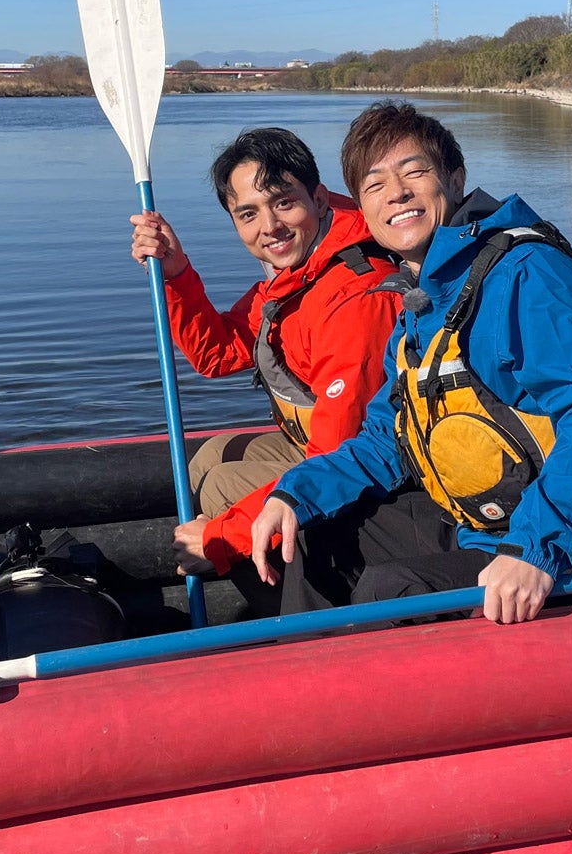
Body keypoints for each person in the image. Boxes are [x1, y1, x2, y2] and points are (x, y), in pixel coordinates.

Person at [248, 102, 572, 624]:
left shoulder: (527, 274)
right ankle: (308, 689)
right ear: (362, 208)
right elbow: (387, 441)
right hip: (483, 526)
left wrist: (533, 550)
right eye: (374, 185)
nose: (395, 193)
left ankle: (368, 697)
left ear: (456, 178)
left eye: (414, 172)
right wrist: (295, 493)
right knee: (310, 536)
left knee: (391, 586)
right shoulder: (420, 302)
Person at [132, 126, 400, 595]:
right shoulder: (298, 274)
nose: (269, 227)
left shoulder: (354, 295)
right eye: (248, 214)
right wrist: (176, 273)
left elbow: (342, 451)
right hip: (320, 443)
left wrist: (218, 538)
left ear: (318, 199)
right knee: (211, 456)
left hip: (366, 465)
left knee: (219, 489)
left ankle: (283, 613)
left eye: (283, 202)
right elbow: (218, 353)